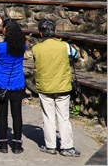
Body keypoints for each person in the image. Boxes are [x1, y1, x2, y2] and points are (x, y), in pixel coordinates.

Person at [32, 19, 81, 157]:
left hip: (45, 87)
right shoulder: (65, 46)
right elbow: (76, 55)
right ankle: (67, 147)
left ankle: (50, 146)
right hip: (63, 87)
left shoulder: (36, 49)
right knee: (64, 118)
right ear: (55, 32)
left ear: (41, 34)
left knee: (48, 117)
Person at [0, 16, 27, 154]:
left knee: (2, 115)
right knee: (17, 115)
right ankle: (17, 144)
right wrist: (5, 23)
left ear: (4, 31)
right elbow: (13, 32)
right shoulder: (23, 46)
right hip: (17, 84)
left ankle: (2, 143)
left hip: (1, 85)